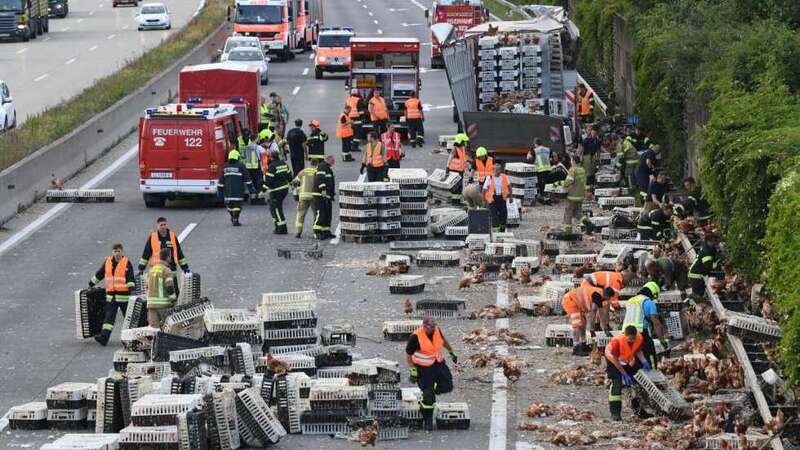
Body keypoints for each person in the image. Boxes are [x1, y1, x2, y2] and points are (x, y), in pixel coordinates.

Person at [406, 318, 457, 431]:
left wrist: (451, 352)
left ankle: (429, 390)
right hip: (423, 368)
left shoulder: (436, 330)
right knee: (429, 397)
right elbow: (409, 355)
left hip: (437, 363)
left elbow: (443, 341)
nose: (433, 329)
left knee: (448, 386)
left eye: (434, 326)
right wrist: (413, 370)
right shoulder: (416, 337)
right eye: (431, 327)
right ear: (424, 326)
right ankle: (427, 420)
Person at [89, 243, 136, 346]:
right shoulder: (108, 262)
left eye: (118, 251)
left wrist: (132, 290)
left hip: (124, 297)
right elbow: (100, 274)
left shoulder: (126, 263)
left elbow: (130, 278)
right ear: (112, 252)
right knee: (108, 318)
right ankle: (104, 337)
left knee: (129, 318)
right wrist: (92, 283)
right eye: (115, 251)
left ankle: (136, 337)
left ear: (122, 251)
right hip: (111, 296)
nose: (117, 253)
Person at [605, 325, 651, 421]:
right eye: (630, 339)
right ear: (625, 335)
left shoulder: (639, 338)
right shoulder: (617, 341)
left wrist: (644, 361)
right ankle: (615, 413)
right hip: (613, 360)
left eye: (633, 339)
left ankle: (638, 411)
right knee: (617, 384)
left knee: (635, 384)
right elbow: (616, 360)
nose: (632, 341)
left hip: (625, 359)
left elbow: (638, 350)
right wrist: (624, 374)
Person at [623, 282, 668, 369]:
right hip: (640, 333)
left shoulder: (631, 300)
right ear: (653, 294)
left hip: (625, 333)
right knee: (649, 356)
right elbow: (656, 324)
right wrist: (662, 340)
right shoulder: (648, 302)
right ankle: (652, 374)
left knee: (633, 358)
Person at [561, 284, 613, 356]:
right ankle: (576, 348)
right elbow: (593, 311)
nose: (607, 300)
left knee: (583, 323)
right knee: (577, 324)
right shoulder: (597, 295)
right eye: (608, 298)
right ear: (607, 296)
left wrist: (605, 329)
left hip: (576, 304)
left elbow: (601, 314)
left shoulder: (600, 294)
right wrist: (592, 329)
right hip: (570, 301)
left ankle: (583, 343)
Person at [217, 150, 255, 226]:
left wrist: (220, 193)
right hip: (238, 191)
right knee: (237, 206)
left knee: (230, 206)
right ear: (237, 157)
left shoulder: (225, 167)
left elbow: (221, 181)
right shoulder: (241, 166)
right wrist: (252, 190)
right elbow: (247, 179)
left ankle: (232, 216)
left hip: (228, 192)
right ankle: (235, 219)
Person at [146, 248, 177, 328]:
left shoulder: (152, 270)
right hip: (163, 305)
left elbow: (147, 286)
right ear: (168, 257)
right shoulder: (166, 270)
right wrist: (173, 301)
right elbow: (169, 287)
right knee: (167, 329)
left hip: (151, 304)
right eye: (170, 256)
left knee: (154, 330)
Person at [263, 149, 291, 234]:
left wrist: (263, 189)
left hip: (276, 190)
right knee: (277, 207)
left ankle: (281, 228)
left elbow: (269, 180)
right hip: (285, 189)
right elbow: (290, 176)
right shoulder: (284, 164)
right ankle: (279, 226)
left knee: (276, 209)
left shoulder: (272, 166)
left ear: (271, 157)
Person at [291, 159, 319, 238]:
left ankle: (298, 232)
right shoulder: (317, 171)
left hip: (303, 196)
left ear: (310, 163)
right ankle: (315, 232)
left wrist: (296, 189)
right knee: (316, 214)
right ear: (317, 164)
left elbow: (294, 182)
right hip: (314, 196)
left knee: (301, 214)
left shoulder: (303, 171)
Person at [688, 233, 722, 298]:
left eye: (716, 241)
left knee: (699, 295)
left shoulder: (708, 247)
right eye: (714, 241)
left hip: (699, 273)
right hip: (696, 275)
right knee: (698, 296)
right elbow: (709, 266)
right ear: (708, 241)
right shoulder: (707, 252)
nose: (715, 243)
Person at [313, 155, 336, 239]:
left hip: (327, 196)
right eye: (333, 161)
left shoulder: (327, 168)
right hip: (320, 195)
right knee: (321, 213)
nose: (333, 163)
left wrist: (331, 195)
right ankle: (317, 231)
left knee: (327, 214)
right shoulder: (322, 166)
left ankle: (326, 231)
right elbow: (320, 179)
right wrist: (323, 190)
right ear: (329, 160)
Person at [482, 164, 510, 232]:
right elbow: (484, 189)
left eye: (499, 170)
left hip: (502, 198)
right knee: (494, 216)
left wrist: (511, 196)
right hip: (493, 199)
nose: (497, 171)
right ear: (493, 170)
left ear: (501, 170)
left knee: (503, 214)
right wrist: (483, 199)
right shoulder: (489, 178)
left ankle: (502, 229)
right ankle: (495, 231)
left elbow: (509, 186)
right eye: (496, 170)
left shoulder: (504, 177)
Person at [563, 154, 586, 231]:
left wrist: (563, 184)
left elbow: (569, 180)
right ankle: (588, 223)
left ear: (574, 161)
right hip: (580, 195)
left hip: (572, 196)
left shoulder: (573, 169)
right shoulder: (582, 170)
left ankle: (567, 230)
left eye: (571, 160)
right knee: (578, 213)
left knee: (568, 212)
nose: (570, 162)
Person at [241, 132, 266, 204]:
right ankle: (260, 199)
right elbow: (265, 153)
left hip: (248, 168)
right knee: (259, 183)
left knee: (251, 183)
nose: (259, 139)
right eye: (258, 138)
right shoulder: (258, 147)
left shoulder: (246, 147)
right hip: (256, 168)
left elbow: (243, 157)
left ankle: (253, 199)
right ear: (255, 139)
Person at [445, 135, 469, 204]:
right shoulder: (455, 149)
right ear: (461, 141)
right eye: (464, 141)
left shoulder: (462, 148)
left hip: (460, 170)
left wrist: (466, 167)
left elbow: (463, 159)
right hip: (454, 170)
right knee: (455, 186)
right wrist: (447, 167)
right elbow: (450, 158)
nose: (465, 143)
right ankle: (454, 201)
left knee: (459, 187)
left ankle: (457, 201)